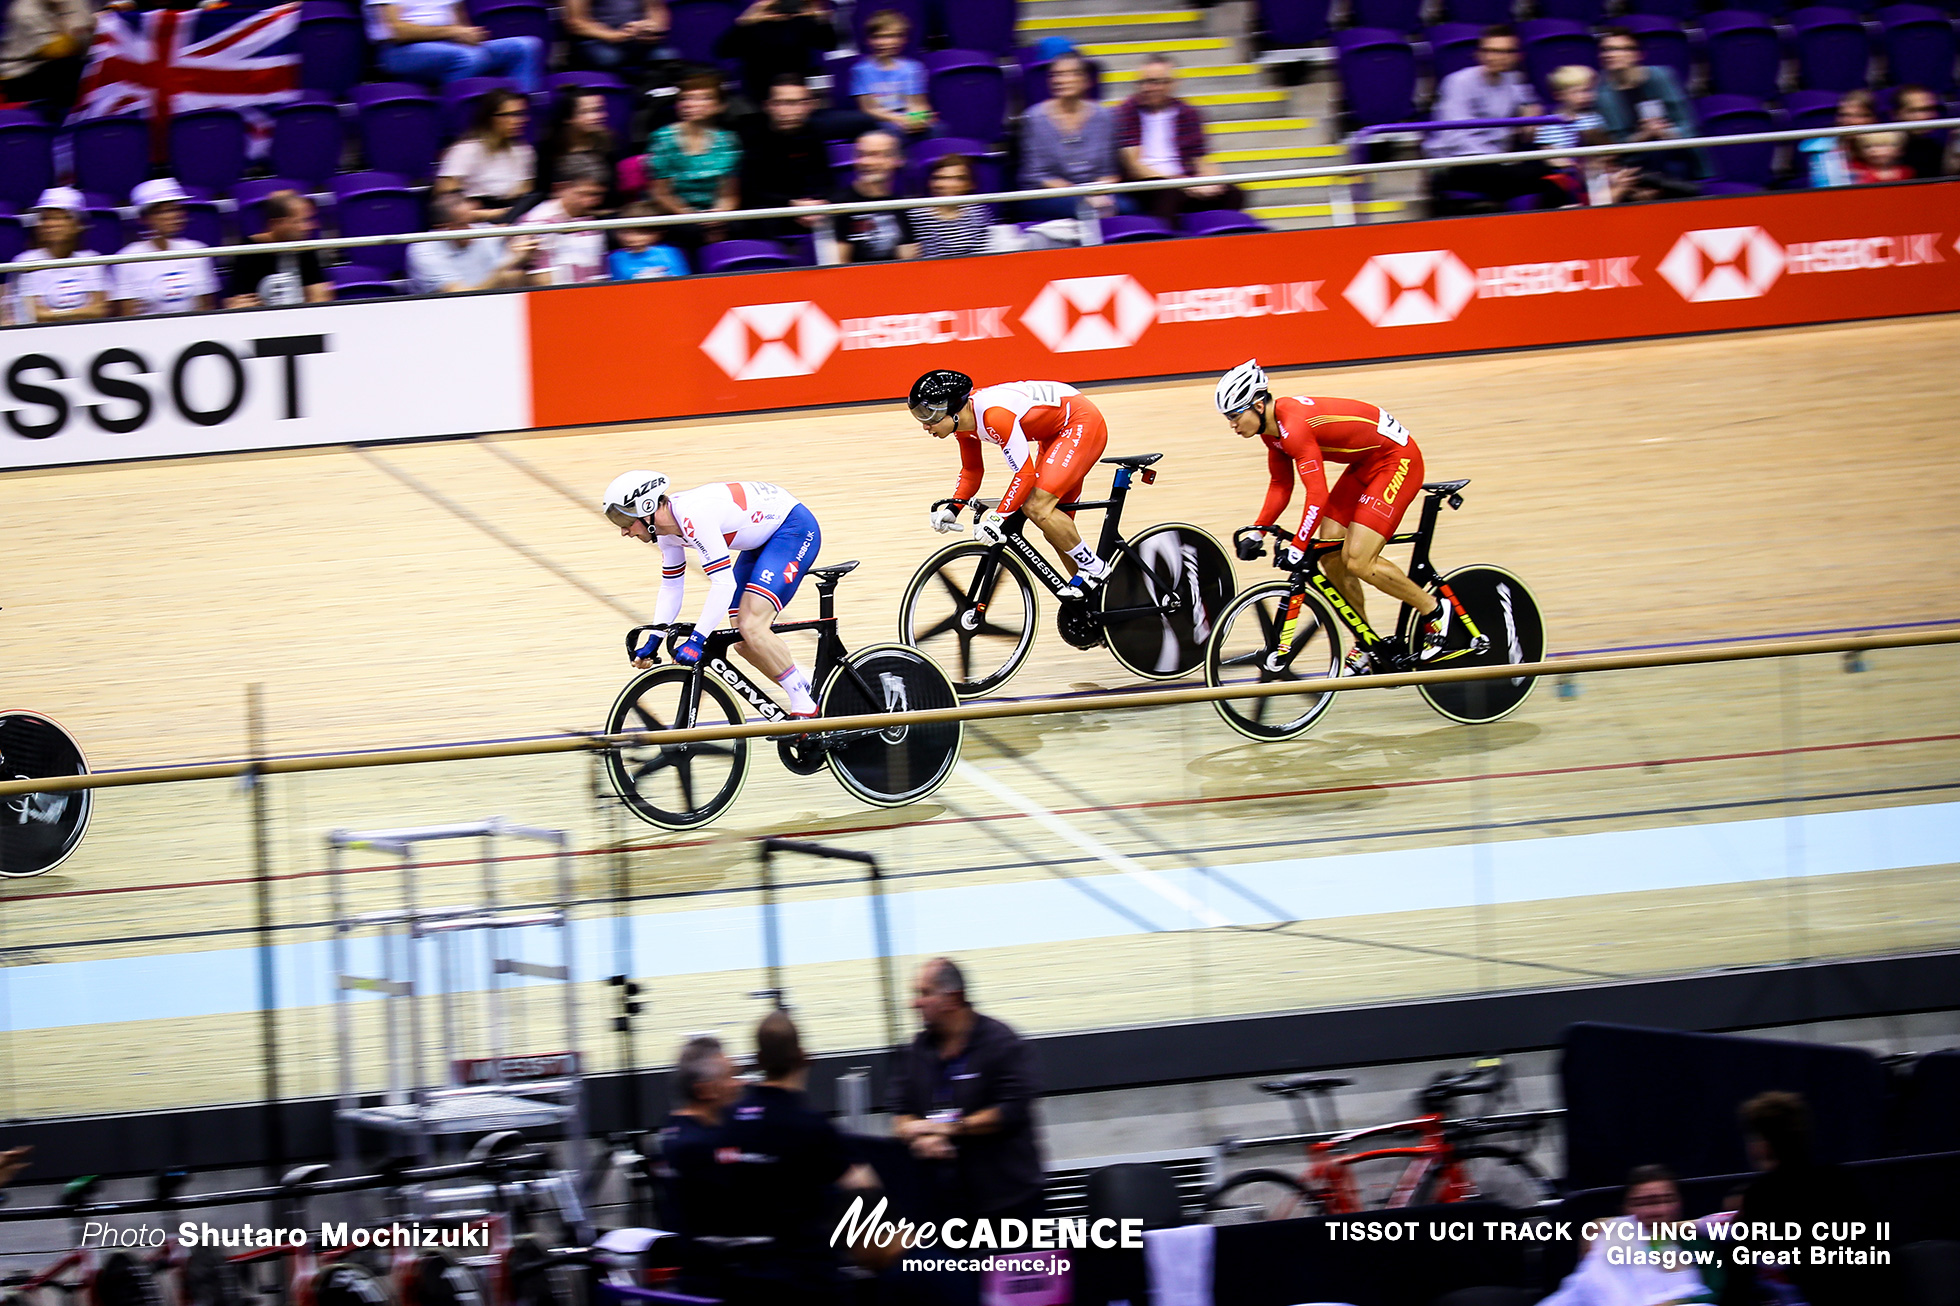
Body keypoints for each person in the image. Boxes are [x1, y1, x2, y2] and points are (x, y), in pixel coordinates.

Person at [1215, 359, 1449, 675]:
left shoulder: (1293, 427)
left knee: (1358, 559)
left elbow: (1317, 495)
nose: (1231, 424)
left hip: (1397, 459)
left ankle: (1435, 612)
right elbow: (1281, 484)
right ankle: (1366, 643)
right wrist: (1258, 532)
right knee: (1330, 554)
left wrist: (1298, 545)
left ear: (1258, 404)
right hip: (1366, 462)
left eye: (1234, 415)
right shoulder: (1271, 433)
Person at [602, 471, 825, 717]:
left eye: (624, 520)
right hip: (760, 539)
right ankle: (813, 689)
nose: (623, 531)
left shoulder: (694, 516)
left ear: (647, 508)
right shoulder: (667, 534)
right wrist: (654, 638)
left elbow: (723, 584)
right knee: (741, 639)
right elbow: (671, 587)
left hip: (792, 529)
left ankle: (807, 708)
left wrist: (698, 639)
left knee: (752, 625)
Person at [908, 370, 1112, 592]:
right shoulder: (963, 425)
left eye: (929, 417)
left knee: (1037, 507)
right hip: (1053, 433)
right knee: (1056, 529)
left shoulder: (994, 416)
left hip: (1079, 422)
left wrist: (997, 518)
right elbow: (972, 470)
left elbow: (1025, 475)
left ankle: (1097, 569)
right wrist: (953, 508)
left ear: (953, 411)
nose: (925, 426)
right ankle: (1098, 600)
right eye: (920, 416)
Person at [714, 1011, 868, 1299]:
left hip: (748, 1281)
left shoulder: (727, 1122)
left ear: (758, 1060)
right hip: (809, 1283)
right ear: (803, 1056)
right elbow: (862, 1188)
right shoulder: (813, 1127)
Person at [889, 959, 1046, 1226]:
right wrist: (918, 1137)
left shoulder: (1001, 1043)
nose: (915, 1003)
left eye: (924, 993)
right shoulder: (915, 1051)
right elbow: (901, 1113)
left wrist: (949, 1129)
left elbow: (1009, 1111)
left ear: (953, 998)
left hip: (1008, 1204)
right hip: (944, 1207)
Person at [1719, 1092, 1892, 1305]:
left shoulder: (1763, 1195)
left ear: (1763, 1144)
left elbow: (1739, 1273)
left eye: (1752, 1138)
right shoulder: (1841, 1181)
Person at [1542, 1165, 1718, 1305]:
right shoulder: (1609, 1236)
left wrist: (1674, 1302)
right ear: (1625, 1208)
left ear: (1679, 1203)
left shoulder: (1697, 1244)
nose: (1657, 1211)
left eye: (1667, 1200)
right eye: (1642, 1203)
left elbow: (1715, 1292)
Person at [1426, 25, 1556, 213]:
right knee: (1539, 171)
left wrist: (1531, 111)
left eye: (1506, 52)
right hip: (1460, 162)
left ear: (1515, 56)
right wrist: (1503, 161)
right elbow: (1458, 138)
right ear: (1480, 54)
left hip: (1497, 162)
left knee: (1549, 176)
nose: (1498, 57)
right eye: (1492, 51)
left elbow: (1530, 104)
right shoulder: (1459, 82)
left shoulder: (1512, 80)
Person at [1112, 55, 1243, 219]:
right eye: (1142, 82)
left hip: (1183, 181)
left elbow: (1200, 160)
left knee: (1233, 193)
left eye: (1154, 82)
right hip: (1145, 183)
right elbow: (1134, 165)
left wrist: (1213, 181)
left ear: (1172, 84)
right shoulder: (1126, 112)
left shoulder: (1188, 113)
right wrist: (1180, 183)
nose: (1147, 88)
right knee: (1169, 195)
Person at [1595, 27, 1704, 199]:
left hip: (1673, 154)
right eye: (1606, 50)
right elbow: (1614, 146)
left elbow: (1687, 123)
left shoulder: (1662, 77)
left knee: (1670, 165)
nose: (1610, 54)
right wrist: (1643, 135)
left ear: (1637, 54)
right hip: (1634, 164)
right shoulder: (1603, 96)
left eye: (1619, 49)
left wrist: (1667, 133)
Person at [652, 1035, 741, 1244]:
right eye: (730, 1077)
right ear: (704, 1090)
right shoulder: (700, 1146)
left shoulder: (672, 1128)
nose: (738, 1084)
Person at [1018, 52, 1125, 220]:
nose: (1061, 80)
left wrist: (1097, 193)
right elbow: (1037, 176)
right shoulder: (1035, 117)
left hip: (1096, 191)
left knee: (1128, 206)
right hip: (1049, 194)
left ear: (1085, 80)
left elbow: (1109, 172)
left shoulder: (1104, 116)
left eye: (1070, 73)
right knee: (1086, 210)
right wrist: (1082, 196)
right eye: (1056, 75)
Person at [646, 73, 741, 250]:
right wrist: (693, 218)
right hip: (676, 213)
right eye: (686, 98)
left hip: (714, 213)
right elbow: (661, 194)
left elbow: (728, 194)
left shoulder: (728, 140)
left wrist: (718, 217)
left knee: (736, 227)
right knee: (689, 232)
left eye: (703, 98)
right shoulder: (663, 138)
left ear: (720, 106)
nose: (691, 104)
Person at [364, 0, 542, 94]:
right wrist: (452, 32)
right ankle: (454, 131)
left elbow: (460, 23)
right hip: (400, 51)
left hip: (450, 46)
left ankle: (516, 120)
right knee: (469, 57)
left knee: (526, 47)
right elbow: (397, 31)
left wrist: (469, 35)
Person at [737, 75, 832, 239]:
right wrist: (791, 204)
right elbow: (751, 190)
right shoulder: (750, 137)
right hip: (770, 212)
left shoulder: (815, 135)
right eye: (781, 103)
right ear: (768, 106)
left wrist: (819, 204)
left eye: (796, 103)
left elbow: (825, 180)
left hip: (810, 209)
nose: (788, 110)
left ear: (809, 105)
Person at [112, 179, 218, 316]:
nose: (175, 215)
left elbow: (206, 308)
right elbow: (128, 316)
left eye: (177, 208)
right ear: (144, 218)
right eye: (165, 211)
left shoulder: (197, 251)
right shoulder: (126, 259)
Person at [434, 90, 536, 221]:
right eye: (512, 115)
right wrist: (497, 214)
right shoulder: (465, 151)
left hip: (514, 219)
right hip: (474, 221)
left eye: (521, 114)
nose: (521, 120)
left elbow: (525, 196)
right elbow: (446, 204)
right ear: (492, 118)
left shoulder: (525, 152)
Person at [716, 0, 835, 112]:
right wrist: (745, 21)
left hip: (797, 87)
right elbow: (723, 52)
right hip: (758, 90)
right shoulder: (752, 25)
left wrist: (821, 18)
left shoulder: (803, 23)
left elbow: (829, 45)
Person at [10, 187, 108, 324]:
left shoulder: (92, 260)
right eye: (46, 218)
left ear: (78, 224)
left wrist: (53, 314)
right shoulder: (26, 261)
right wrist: (81, 313)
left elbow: (99, 311)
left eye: (61, 218)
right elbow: (35, 315)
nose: (51, 224)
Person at [409, 194, 538, 293]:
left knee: (515, 275)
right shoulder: (423, 251)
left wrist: (522, 256)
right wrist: (505, 268)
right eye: (461, 225)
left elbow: (511, 277)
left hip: (493, 308)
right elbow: (461, 299)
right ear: (440, 228)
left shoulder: (485, 233)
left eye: (470, 222)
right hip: (443, 315)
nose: (470, 230)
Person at [225, 191, 334, 308]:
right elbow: (236, 304)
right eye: (300, 221)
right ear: (277, 223)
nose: (309, 227)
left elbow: (320, 297)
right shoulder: (248, 251)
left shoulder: (305, 247)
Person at [523, 157, 610, 285]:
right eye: (584, 194)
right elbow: (542, 282)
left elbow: (599, 277)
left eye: (597, 195)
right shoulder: (538, 223)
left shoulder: (592, 224)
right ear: (561, 188)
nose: (591, 201)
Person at [832, 130, 916, 262]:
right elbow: (837, 266)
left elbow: (909, 261)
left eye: (875, 155)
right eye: (861, 155)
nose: (866, 162)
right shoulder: (839, 206)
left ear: (896, 160)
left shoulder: (903, 206)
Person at [0, 0, 92, 115]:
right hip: (22, 76)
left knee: (94, 62)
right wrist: (86, 29)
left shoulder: (75, 2)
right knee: (70, 68)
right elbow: (57, 50)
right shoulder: (24, 10)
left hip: (61, 67)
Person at [1533, 65, 1607, 205]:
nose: (1587, 96)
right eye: (1580, 92)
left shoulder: (1594, 119)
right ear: (1560, 95)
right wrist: (1567, 164)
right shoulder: (1549, 123)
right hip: (1567, 174)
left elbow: (1602, 147)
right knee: (1555, 185)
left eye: (1589, 91)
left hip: (1593, 172)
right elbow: (1548, 154)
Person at [537, 90, 620, 205]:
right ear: (568, 118)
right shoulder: (548, 148)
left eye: (600, 110)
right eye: (588, 112)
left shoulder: (608, 143)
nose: (599, 116)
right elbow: (542, 191)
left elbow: (613, 191)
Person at [907, 154, 993, 259]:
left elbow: (983, 256)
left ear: (969, 184)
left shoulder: (978, 212)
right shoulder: (917, 215)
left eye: (957, 179)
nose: (946, 184)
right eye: (940, 178)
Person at [563, 0, 667, 80]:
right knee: (608, 58)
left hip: (638, 40)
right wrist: (614, 35)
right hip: (596, 41)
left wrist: (652, 27)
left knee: (665, 56)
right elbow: (575, 22)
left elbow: (656, 9)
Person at [1800, 88, 1877, 187]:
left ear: (1873, 119)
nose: (1850, 121)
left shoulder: (1889, 147)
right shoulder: (1820, 148)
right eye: (1844, 115)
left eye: (1859, 116)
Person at [608, 200, 689, 278]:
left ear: (657, 234)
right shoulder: (615, 258)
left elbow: (681, 279)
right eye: (625, 232)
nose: (630, 237)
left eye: (640, 233)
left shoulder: (669, 253)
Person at [1892, 84, 1947, 178]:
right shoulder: (1886, 152)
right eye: (1916, 110)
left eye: (1930, 109)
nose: (1927, 116)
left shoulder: (1939, 148)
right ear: (1896, 114)